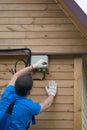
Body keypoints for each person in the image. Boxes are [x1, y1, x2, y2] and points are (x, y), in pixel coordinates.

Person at [0, 59, 57, 130]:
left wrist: (33, 66)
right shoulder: (29, 106)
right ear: (29, 92)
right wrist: (52, 93)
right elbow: (46, 105)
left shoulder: (8, 93)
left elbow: (15, 76)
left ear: (15, 86)